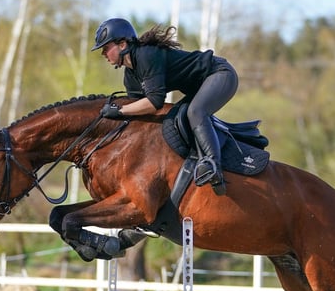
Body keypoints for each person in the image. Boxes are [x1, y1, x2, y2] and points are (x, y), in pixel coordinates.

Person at [92, 18, 239, 195]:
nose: (103, 54)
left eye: (106, 48)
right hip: (200, 87)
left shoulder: (146, 55)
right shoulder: (130, 76)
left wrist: (120, 111)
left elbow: (155, 102)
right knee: (176, 118)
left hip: (220, 74)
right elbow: (138, 113)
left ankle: (213, 166)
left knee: (195, 111)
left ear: (122, 44)